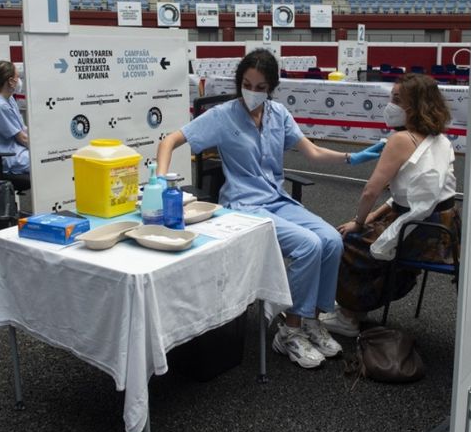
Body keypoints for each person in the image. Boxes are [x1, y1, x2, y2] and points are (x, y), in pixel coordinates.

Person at [156, 49, 385, 369]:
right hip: (243, 205)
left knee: (332, 240)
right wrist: (161, 183)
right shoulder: (223, 115)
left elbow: (313, 152)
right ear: (240, 83)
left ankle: (310, 321)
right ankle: (288, 333)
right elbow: (169, 141)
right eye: (247, 84)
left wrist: (352, 158)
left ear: (271, 87)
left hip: (276, 200)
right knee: (308, 246)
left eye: (261, 87)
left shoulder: (278, 114)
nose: (253, 92)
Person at [323, 73, 460, 337]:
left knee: (344, 242)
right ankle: (355, 309)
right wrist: (376, 215)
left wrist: (361, 221)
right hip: (444, 230)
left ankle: (349, 316)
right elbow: (412, 195)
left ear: (416, 105)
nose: (390, 105)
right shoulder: (440, 139)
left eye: (397, 100)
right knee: (365, 237)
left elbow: (370, 191)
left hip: (420, 231)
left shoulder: (400, 140)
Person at [0, 60, 29, 174]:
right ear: (10, 81)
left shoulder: (10, 99)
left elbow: (22, 129)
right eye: (18, 77)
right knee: (46, 160)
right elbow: (22, 138)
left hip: (18, 152)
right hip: (9, 158)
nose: (19, 81)